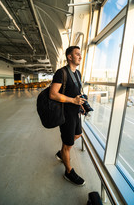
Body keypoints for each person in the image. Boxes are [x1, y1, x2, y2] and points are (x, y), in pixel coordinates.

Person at [49, 46, 86, 186]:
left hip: (75, 112)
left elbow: (76, 91)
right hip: (65, 115)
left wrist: (80, 103)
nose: (80, 57)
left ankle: (61, 153)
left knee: (77, 135)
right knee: (68, 144)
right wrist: (73, 101)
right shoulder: (61, 73)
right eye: (77, 54)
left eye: (80, 54)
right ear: (69, 57)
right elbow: (53, 94)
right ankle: (68, 172)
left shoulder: (78, 73)